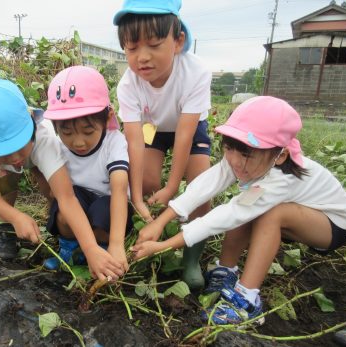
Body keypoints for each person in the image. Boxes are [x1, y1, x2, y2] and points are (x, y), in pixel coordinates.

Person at [132, 96, 346, 325]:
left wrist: (163, 245)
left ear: (280, 155)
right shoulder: (244, 159)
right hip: (301, 212)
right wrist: (161, 221)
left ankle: (246, 299)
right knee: (248, 205)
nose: (235, 161)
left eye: (246, 154)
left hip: (333, 223)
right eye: (229, 148)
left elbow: (230, 214)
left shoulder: (281, 179)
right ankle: (225, 271)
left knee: (264, 212)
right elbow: (205, 184)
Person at [0, 79, 124, 282]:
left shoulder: (45, 138)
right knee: (6, 179)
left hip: (37, 154)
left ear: (31, 122)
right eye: (4, 153)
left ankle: (60, 233)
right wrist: (15, 217)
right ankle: (5, 228)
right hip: (7, 167)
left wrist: (90, 248)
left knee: (52, 194)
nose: (15, 158)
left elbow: (67, 197)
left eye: (18, 148)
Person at [113, 0, 213, 289]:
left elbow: (184, 135)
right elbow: (133, 140)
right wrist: (136, 195)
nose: (142, 57)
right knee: (145, 180)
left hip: (190, 128)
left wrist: (172, 187)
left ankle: (191, 258)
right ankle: (139, 231)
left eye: (154, 44)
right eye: (132, 49)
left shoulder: (196, 72)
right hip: (153, 129)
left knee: (200, 188)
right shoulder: (128, 85)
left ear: (178, 41)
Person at [42, 66, 132, 272]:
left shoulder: (114, 142)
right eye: (67, 133)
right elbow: (59, 194)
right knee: (64, 211)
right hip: (77, 202)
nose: (78, 142)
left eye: (88, 131)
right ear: (56, 127)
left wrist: (117, 245)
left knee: (103, 212)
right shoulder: (57, 146)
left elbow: (119, 189)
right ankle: (70, 252)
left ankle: (102, 253)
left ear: (107, 117)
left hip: (109, 204)